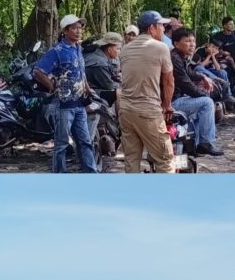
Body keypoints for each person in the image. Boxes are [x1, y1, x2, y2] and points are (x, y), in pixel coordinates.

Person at [33, 14, 98, 173]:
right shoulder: (57, 51)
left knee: (84, 141)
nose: (78, 31)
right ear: (65, 31)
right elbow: (38, 71)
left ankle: (91, 173)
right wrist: (52, 87)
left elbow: (81, 72)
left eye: (79, 28)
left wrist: (88, 89)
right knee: (61, 144)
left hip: (79, 103)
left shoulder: (78, 48)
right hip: (63, 105)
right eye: (74, 28)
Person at [117, 10, 175, 173]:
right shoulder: (160, 47)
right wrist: (167, 105)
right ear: (152, 28)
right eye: (161, 26)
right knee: (165, 160)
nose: (163, 29)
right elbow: (169, 81)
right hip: (148, 112)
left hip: (126, 111)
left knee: (131, 160)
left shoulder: (126, 49)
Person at [170, 27, 224, 156]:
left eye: (193, 41)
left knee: (204, 106)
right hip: (172, 102)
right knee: (206, 103)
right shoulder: (174, 58)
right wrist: (206, 95)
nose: (192, 44)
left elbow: (188, 73)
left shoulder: (179, 57)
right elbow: (186, 84)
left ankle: (196, 143)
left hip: (177, 98)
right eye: (188, 41)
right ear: (176, 43)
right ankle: (205, 143)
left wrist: (202, 77)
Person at [85, 32, 122, 139]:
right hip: (90, 92)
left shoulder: (99, 55)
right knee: (121, 93)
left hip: (94, 88)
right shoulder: (99, 62)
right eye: (118, 49)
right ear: (109, 49)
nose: (119, 52)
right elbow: (109, 85)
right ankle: (120, 125)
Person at [192, 38, 235, 103]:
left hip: (210, 71)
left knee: (223, 72)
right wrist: (209, 55)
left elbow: (218, 68)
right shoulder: (200, 51)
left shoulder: (214, 54)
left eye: (216, 48)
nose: (214, 49)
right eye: (212, 47)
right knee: (199, 68)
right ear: (208, 45)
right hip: (200, 71)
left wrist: (212, 55)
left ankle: (227, 95)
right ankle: (220, 80)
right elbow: (200, 66)